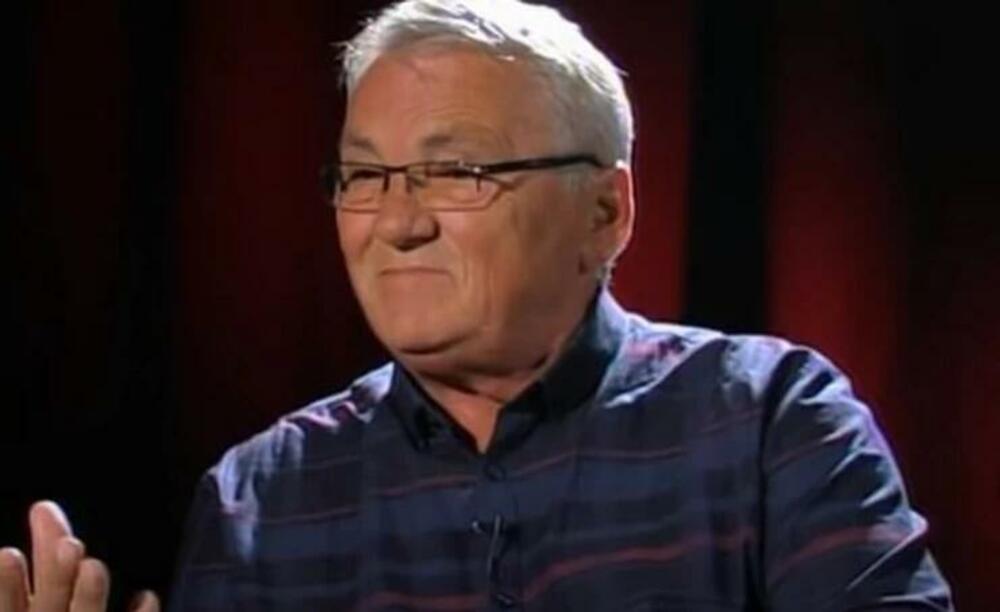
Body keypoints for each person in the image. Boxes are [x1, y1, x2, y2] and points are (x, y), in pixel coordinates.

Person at [0, 0, 953, 610]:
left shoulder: (770, 424)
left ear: (606, 211)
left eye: (456, 172)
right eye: (364, 176)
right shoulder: (261, 499)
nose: (396, 223)